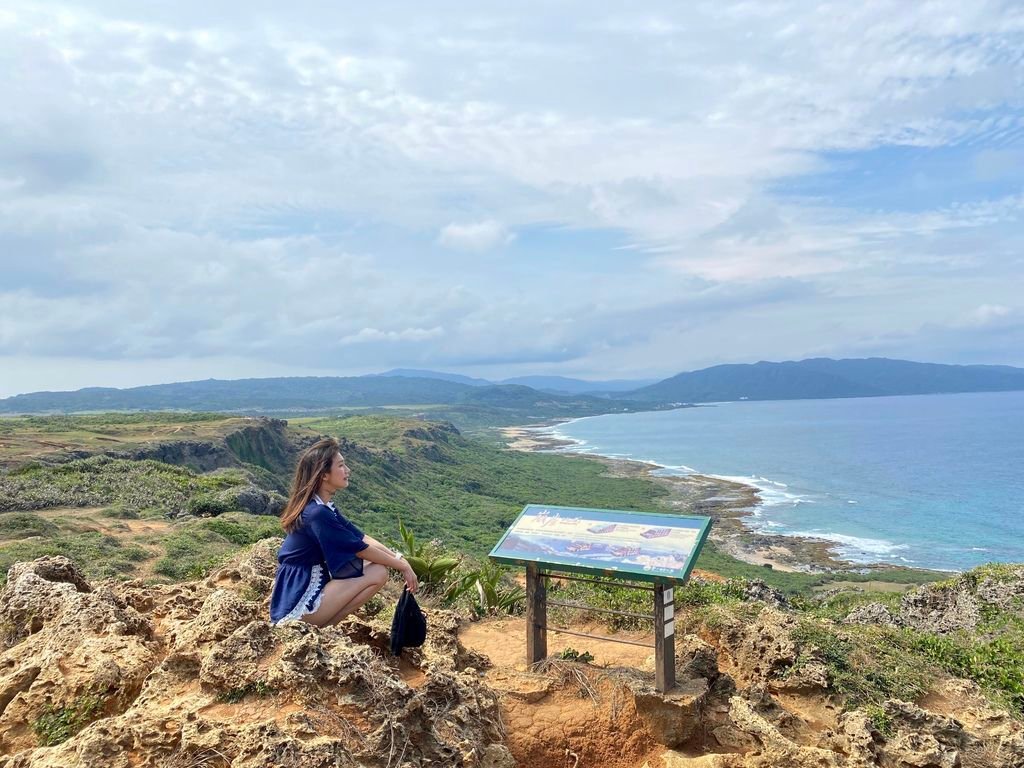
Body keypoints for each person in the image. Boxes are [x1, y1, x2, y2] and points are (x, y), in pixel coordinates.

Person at [269, 438, 418, 626]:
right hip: (297, 605)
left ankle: (323, 630)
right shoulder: (317, 514)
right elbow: (361, 549)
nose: (348, 470)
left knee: (377, 569)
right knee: (377, 573)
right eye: (341, 465)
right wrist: (402, 566)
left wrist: (399, 558)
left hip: (302, 589)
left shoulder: (322, 507)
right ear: (324, 475)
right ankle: (321, 628)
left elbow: (362, 538)